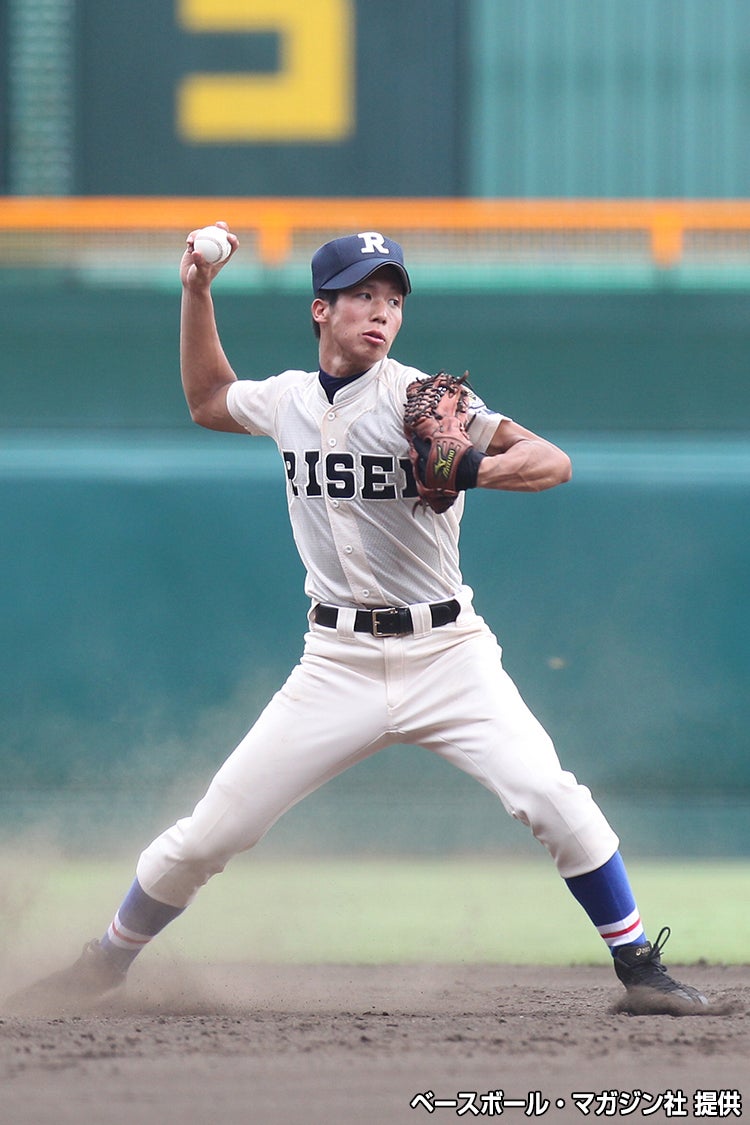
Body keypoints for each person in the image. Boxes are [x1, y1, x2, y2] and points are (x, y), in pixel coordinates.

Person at [9, 226, 707, 1015]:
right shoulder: (287, 401)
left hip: (448, 654)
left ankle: (640, 969)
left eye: (394, 299)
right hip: (334, 661)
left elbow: (554, 461)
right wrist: (196, 291)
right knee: (210, 833)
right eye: (363, 295)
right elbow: (207, 399)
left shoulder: (422, 401)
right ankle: (104, 961)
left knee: (551, 795)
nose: (382, 312)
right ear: (322, 309)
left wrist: (472, 465)